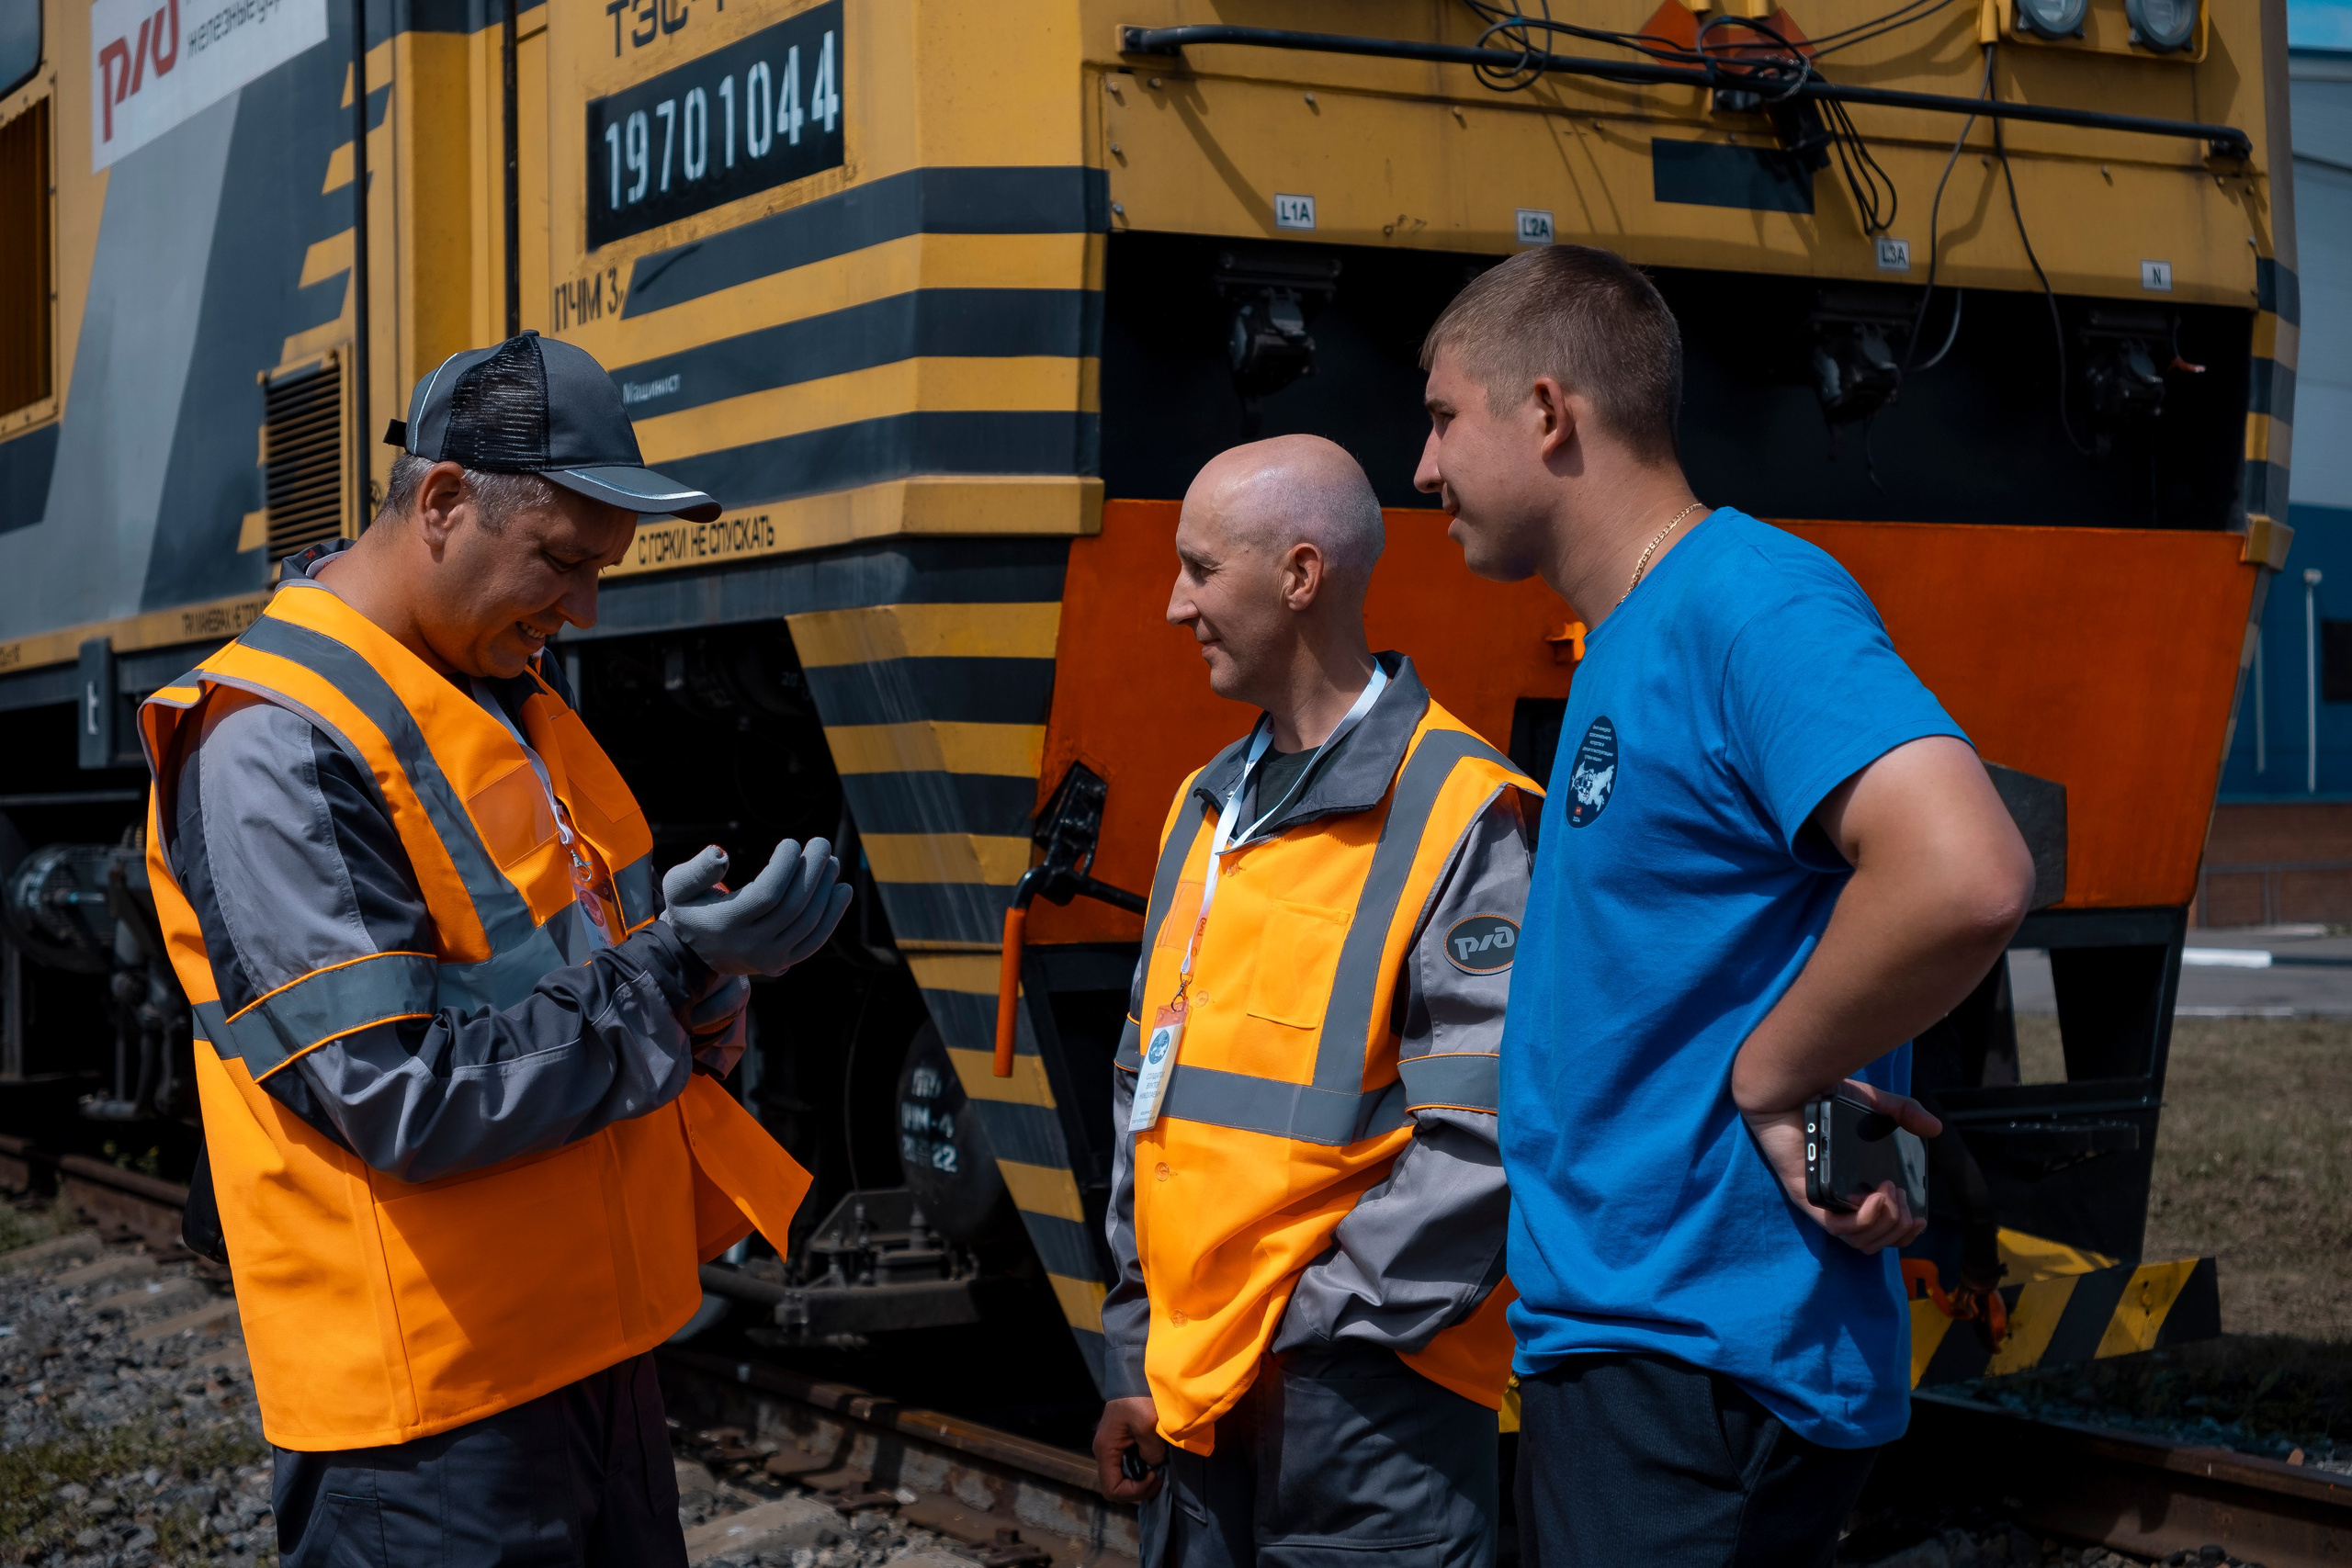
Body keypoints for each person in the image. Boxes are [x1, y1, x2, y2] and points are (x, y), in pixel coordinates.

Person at [138, 331, 852, 1566]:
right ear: (445, 501)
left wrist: (705, 990)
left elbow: (555, 983)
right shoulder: (273, 743)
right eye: (563, 563)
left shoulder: (494, 694)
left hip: (585, 1360)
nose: (579, 609)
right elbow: (400, 1093)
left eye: (600, 575)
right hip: (431, 1419)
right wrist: (671, 969)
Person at [1415, 245, 2038, 1564]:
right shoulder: (1637, 632)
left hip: (1697, 1364)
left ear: (1545, 411)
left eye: (1440, 418)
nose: (1422, 469)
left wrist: (1773, 1073)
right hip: (1633, 1343)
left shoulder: (1746, 602)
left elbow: (1964, 870)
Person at [1091, 434, 1538, 1568]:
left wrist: (1311, 1327)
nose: (1172, 605)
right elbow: (1151, 1101)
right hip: (1196, 1382)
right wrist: (1139, 1348)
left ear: (1300, 576)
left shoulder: (1464, 811)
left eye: (1200, 569)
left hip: (1367, 1401)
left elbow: (1488, 1135)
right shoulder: (1204, 807)